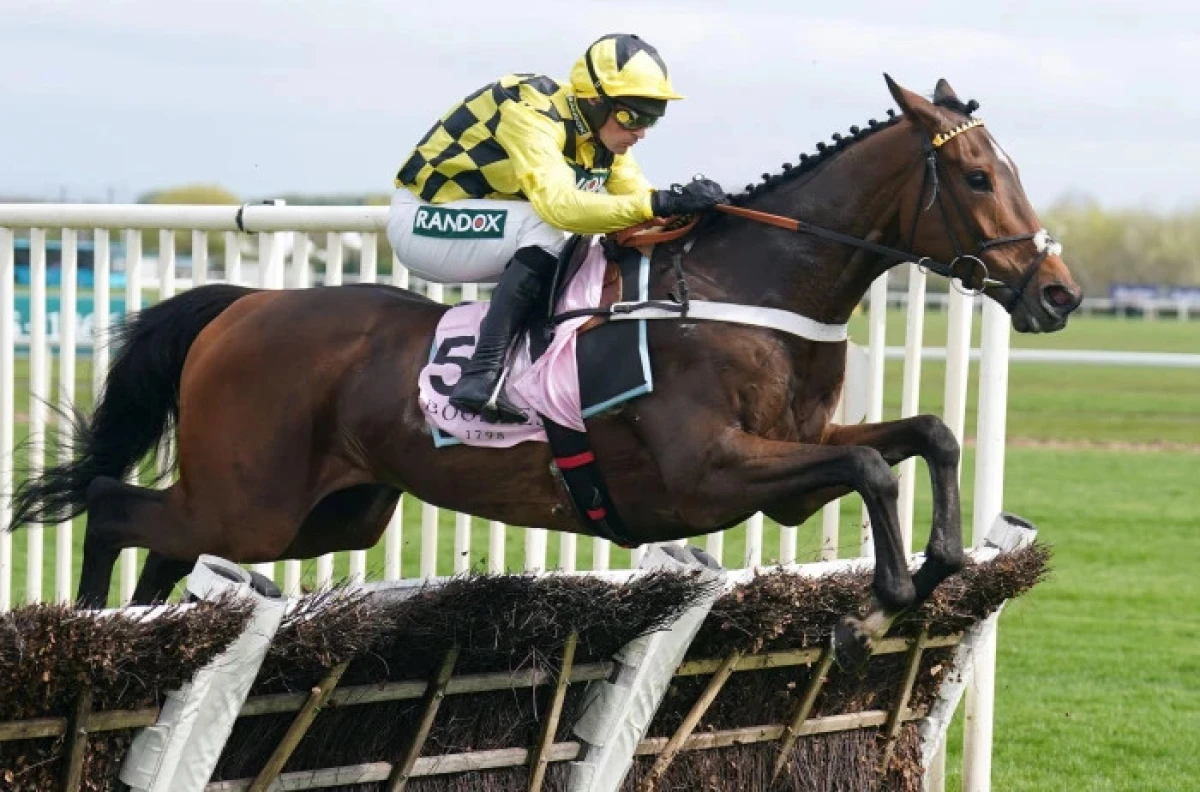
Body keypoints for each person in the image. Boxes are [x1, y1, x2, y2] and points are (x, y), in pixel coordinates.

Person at [386, 32, 727, 424]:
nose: (641, 131)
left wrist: (697, 208)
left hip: (479, 228)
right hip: (425, 221)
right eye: (633, 116)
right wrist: (658, 202)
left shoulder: (603, 141)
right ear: (594, 101)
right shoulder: (529, 110)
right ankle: (481, 374)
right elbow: (560, 206)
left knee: (591, 240)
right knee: (549, 227)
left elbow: (641, 206)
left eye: (652, 118)